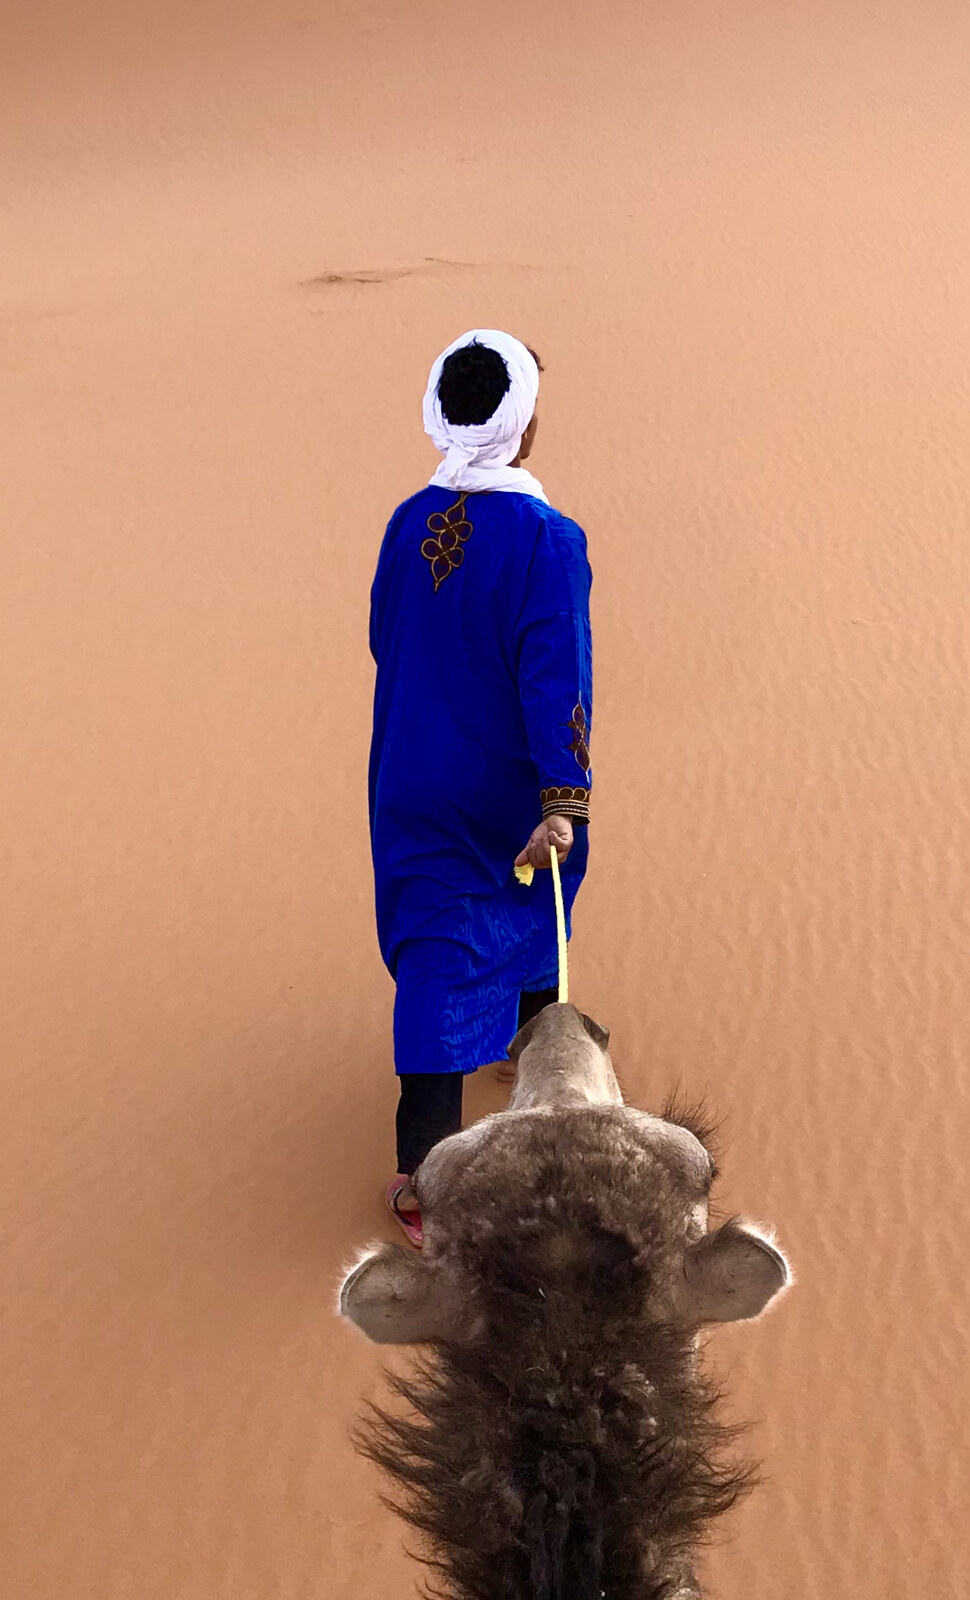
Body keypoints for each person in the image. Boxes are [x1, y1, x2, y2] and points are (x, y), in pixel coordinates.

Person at [368, 329, 593, 1246]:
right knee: (528, 893)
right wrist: (561, 797)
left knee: (434, 935)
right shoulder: (549, 540)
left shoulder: (403, 520)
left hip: (409, 767)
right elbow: (558, 680)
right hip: (502, 775)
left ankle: (435, 1164)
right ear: (518, 422)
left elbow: (384, 636)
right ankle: (511, 1079)